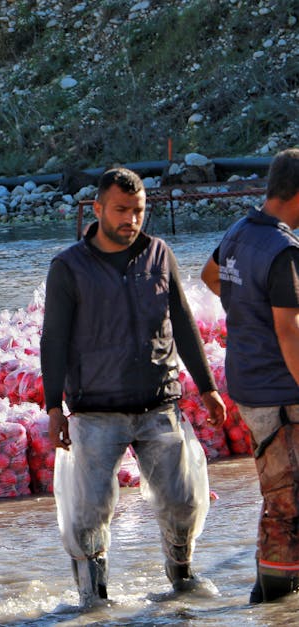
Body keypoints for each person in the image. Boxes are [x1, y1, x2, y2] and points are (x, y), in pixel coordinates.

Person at [40, 167, 226, 607]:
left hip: (159, 403)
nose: (131, 220)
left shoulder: (159, 254)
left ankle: (181, 577)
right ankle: (94, 599)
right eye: (121, 210)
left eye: (138, 211)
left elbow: (182, 320)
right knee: (90, 512)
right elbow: (54, 339)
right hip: (95, 410)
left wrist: (207, 386)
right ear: (99, 209)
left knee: (182, 501)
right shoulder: (69, 267)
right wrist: (53, 407)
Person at [199, 148, 299, 603]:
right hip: (280, 391)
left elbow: (209, 275)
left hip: (248, 384)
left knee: (277, 488)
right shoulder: (283, 251)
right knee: (287, 498)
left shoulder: (240, 231)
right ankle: (273, 602)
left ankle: (273, 593)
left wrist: (245, 310)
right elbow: (289, 331)